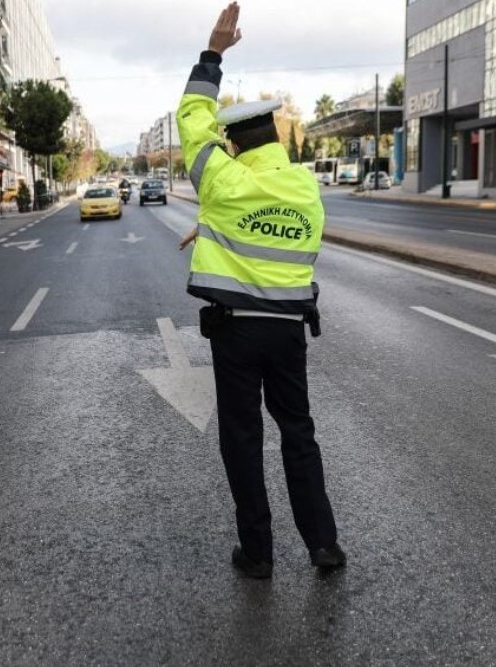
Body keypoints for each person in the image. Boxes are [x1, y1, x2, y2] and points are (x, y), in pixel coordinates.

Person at [177, 2, 346, 579]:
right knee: (299, 433)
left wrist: (212, 54)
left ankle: (258, 553)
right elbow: (278, 230)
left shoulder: (222, 181)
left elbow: (191, 117)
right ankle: (323, 544)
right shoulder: (304, 188)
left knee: (243, 440)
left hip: (235, 333)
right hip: (288, 332)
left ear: (233, 144)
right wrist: (214, 222)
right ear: (274, 135)